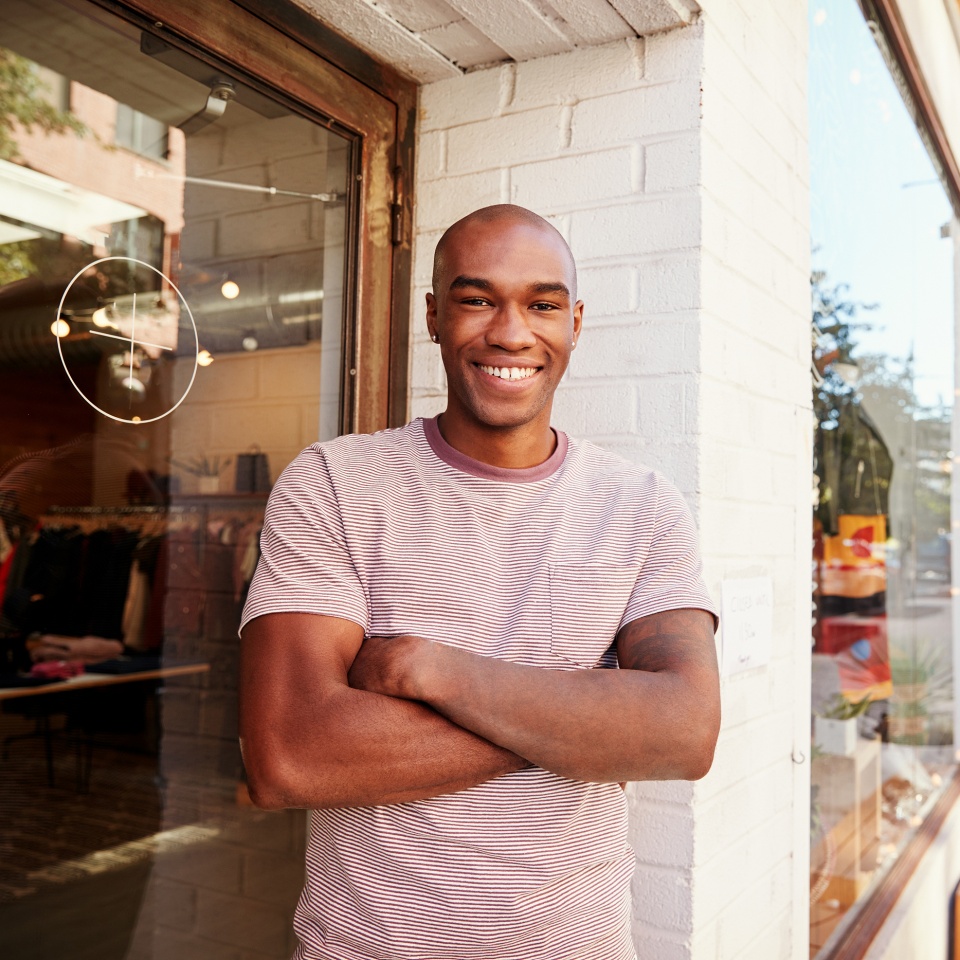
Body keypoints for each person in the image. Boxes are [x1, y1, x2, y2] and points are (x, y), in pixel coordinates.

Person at [238, 204, 721, 960]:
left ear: (575, 321)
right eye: (476, 300)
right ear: (433, 315)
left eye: (542, 304)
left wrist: (424, 669)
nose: (511, 332)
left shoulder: (643, 506)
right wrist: (592, 721)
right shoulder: (335, 483)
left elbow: (686, 733)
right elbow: (290, 754)